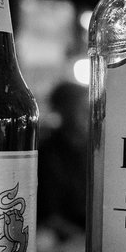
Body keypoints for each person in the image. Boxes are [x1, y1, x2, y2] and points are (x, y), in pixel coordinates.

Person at [37, 81, 89, 243]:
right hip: (61, 238)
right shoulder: (48, 152)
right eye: (80, 107)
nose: (88, 113)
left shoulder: (96, 149)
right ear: (62, 109)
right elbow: (49, 215)